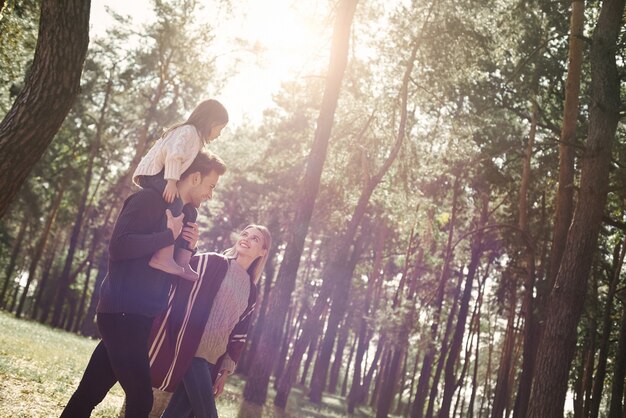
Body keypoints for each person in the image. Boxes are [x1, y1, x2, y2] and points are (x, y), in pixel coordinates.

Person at [60, 152, 227, 418]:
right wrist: (166, 235)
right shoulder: (148, 200)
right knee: (141, 400)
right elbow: (119, 246)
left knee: (89, 392)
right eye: (210, 186)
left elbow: (170, 271)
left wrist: (188, 247)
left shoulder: (184, 215)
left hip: (141, 317)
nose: (210, 194)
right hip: (121, 312)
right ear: (195, 177)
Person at [148, 225, 272, 418]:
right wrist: (191, 246)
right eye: (245, 234)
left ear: (263, 252)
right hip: (191, 349)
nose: (246, 239)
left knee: (177, 413)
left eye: (255, 239)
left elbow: (239, 331)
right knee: (207, 414)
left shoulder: (251, 291)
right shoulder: (215, 262)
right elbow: (183, 267)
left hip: (212, 361)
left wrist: (225, 371)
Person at [133, 99, 228, 281]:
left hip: (166, 176)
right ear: (212, 123)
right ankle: (162, 256)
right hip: (154, 174)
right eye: (220, 129)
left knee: (189, 211)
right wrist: (171, 182)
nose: (219, 134)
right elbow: (174, 155)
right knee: (176, 201)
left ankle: (183, 260)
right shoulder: (188, 132)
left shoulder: (198, 140)